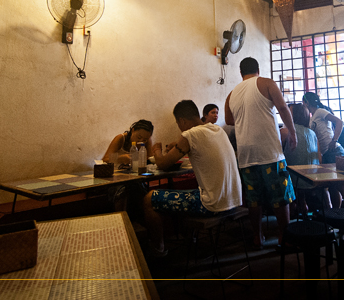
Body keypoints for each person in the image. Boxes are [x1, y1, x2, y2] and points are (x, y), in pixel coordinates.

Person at [143, 100, 242, 257]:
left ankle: (158, 250)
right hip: (233, 200)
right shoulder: (217, 130)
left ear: (182, 121)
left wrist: (156, 150)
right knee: (191, 192)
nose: (179, 128)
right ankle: (190, 241)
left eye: (178, 123)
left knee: (149, 199)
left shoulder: (190, 134)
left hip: (212, 205)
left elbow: (162, 164)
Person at [224, 57, 296, 249]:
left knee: (253, 199)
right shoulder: (266, 83)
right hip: (269, 151)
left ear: (241, 73)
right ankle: (284, 237)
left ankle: (257, 237)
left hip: (246, 155)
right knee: (280, 195)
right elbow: (282, 107)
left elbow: (229, 120)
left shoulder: (231, 94)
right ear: (258, 69)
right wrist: (293, 132)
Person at [302, 92, 344, 209]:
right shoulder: (313, 117)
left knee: (341, 186)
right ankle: (337, 215)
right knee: (333, 187)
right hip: (327, 154)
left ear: (306, 102)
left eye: (303, 103)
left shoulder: (320, 111)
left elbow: (339, 122)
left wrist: (334, 140)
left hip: (335, 151)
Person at [101, 119, 155, 214]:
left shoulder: (146, 141)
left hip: (135, 176)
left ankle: (140, 221)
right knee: (121, 190)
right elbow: (105, 158)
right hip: (116, 177)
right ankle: (121, 220)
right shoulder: (121, 139)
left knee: (142, 189)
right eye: (139, 137)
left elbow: (150, 159)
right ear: (133, 130)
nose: (141, 141)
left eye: (145, 139)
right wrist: (120, 158)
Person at [282, 103, 319, 216]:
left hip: (294, 180)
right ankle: (302, 205)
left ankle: (291, 208)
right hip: (313, 179)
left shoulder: (284, 132)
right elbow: (319, 159)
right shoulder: (313, 134)